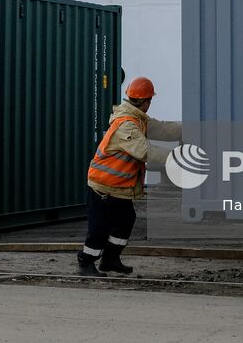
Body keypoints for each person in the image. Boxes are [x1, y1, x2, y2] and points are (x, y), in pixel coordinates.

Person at [77, 76, 181, 276]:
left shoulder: (137, 119)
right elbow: (144, 150)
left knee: (125, 221)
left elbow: (161, 128)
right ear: (146, 101)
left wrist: (189, 130)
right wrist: (177, 157)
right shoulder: (127, 125)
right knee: (99, 228)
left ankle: (110, 259)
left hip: (117, 188)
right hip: (104, 187)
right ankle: (86, 262)